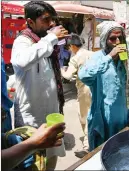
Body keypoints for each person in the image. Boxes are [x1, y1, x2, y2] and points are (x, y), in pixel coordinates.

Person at [10, 1, 68, 168]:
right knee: (32, 162)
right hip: (31, 117)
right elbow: (22, 61)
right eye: (46, 19)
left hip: (51, 113)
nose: (52, 24)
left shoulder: (46, 43)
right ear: (30, 22)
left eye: (53, 19)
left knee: (51, 158)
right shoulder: (23, 41)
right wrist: (52, 37)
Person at [78, 21, 129, 151]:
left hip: (121, 116)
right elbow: (83, 75)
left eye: (120, 38)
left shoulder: (124, 60)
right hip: (103, 117)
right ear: (104, 40)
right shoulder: (98, 57)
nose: (117, 42)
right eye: (112, 38)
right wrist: (109, 57)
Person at [61, 34, 93, 158]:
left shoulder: (76, 58)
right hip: (95, 88)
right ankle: (91, 139)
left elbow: (68, 76)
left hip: (84, 90)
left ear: (73, 46)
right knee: (92, 113)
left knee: (84, 116)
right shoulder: (91, 53)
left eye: (69, 47)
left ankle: (87, 146)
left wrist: (62, 70)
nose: (69, 50)